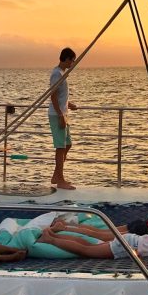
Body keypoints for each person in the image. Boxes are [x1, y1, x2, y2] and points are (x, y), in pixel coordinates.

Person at [39, 216, 148, 259]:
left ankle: (55, 235)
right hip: (128, 246)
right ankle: (51, 239)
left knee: (90, 243)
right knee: (86, 250)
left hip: (132, 239)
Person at [48, 47, 79, 190]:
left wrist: (69, 104)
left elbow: (60, 96)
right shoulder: (56, 74)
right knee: (60, 147)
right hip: (57, 115)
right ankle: (60, 180)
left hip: (63, 113)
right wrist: (60, 114)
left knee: (68, 144)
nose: (72, 64)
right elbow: (53, 95)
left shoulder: (62, 73)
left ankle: (56, 175)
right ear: (66, 59)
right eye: (72, 61)